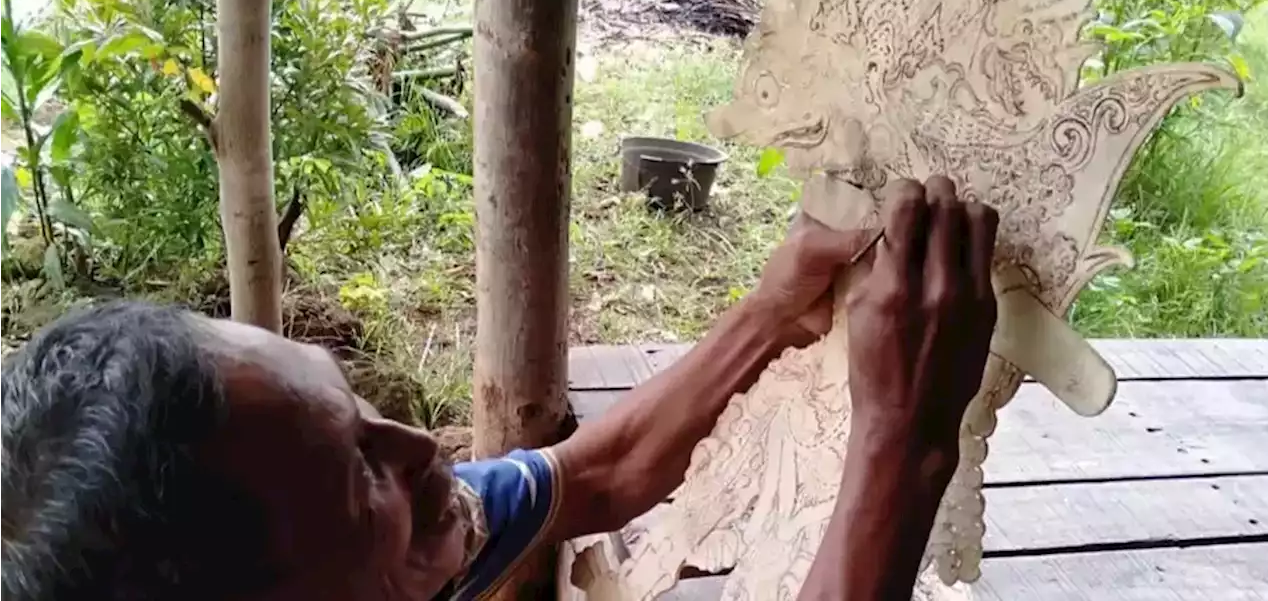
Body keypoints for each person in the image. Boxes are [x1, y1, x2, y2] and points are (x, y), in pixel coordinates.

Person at [0, 176, 997, 601]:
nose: (424, 447)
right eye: (363, 476)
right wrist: (901, 441)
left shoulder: (350, 559)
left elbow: (593, 476)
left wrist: (772, 312)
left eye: (358, 411)